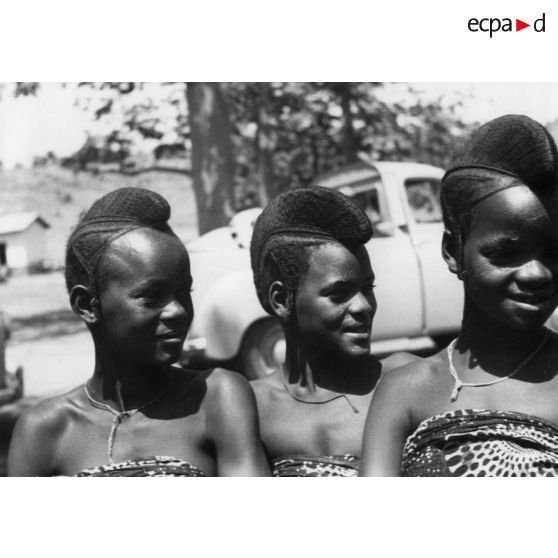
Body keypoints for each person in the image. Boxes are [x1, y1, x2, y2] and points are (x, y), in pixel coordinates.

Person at [8, 187, 269, 476]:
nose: (178, 311)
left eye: (184, 292)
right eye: (151, 296)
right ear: (86, 305)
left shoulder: (216, 397)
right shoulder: (45, 430)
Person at [360, 114, 558, 477]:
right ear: (453, 251)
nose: (537, 273)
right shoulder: (403, 393)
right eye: (505, 253)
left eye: (554, 253)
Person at [249, 186, 416, 476]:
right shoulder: (252, 409)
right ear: (281, 300)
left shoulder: (405, 381)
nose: (363, 306)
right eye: (340, 293)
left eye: (368, 288)